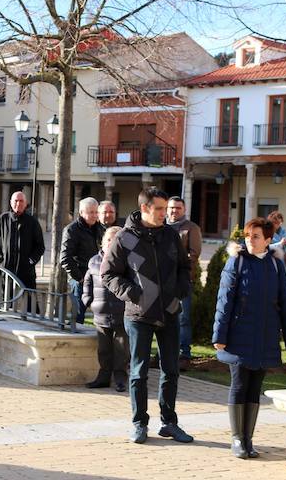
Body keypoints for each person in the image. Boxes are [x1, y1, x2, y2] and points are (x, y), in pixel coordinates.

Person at [101, 187, 193, 444]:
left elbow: (185, 268)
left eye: (166, 208)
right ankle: (139, 423)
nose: (166, 213)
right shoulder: (125, 238)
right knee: (139, 372)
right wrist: (134, 294)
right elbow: (108, 275)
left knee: (171, 370)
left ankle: (169, 423)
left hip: (170, 312)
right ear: (145, 208)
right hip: (139, 315)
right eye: (160, 209)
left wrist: (180, 291)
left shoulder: (171, 236)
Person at [213, 217, 286, 459]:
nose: (250, 240)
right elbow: (224, 301)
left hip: (266, 337)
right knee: (239, 385)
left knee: (255, 388)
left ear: (268, 240)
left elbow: (284, 303)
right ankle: (237, 439)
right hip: (239, 336)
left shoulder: (275, 264)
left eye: (256, 236)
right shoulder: (236, 262)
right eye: (249, 236)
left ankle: (248, 439)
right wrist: (219, 336)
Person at [82, 225, 128, 392]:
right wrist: (88, 300)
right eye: (109, 239)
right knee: (104, 349)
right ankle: (103, 377)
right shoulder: (94, 261)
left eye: (116, 240)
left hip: (121, 314)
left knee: (121, 349)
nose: (111, 242)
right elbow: (87, 282)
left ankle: (121, 378)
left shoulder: (127, 260)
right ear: (103, 242)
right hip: (100, 313)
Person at [0, 191, 45, 313]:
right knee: (4, 302)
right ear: (11, 202)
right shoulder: (2, 220)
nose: (18, 203)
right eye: (16, 201)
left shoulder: (32, 222)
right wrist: (0, 259)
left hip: (26, 270)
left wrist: (31, 261)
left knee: (31, 302)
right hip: (6, 269)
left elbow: (40, 246)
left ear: (26, 204)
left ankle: (34, 322)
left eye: (21, 201)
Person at [166, 196, 202, 370]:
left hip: (182, 280)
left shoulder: (191, 228)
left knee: (183, 318)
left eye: (178, 208)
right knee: (163, 317)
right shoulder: (161, 226)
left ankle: (184, 354)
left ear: (184, 210)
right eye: (172, 208)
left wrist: (172, 265)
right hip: (162, 282)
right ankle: (164, 352)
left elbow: (194, 254)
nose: (174, 211)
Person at [60, 197, 102, 324]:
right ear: (82, 213)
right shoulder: (71, 230)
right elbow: (65, 258)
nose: (94, 215)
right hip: (80, 278)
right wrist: (79, 277)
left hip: (97, 276)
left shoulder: (98, 228)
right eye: (91, 212)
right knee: (78, 316)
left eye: (96, 212)